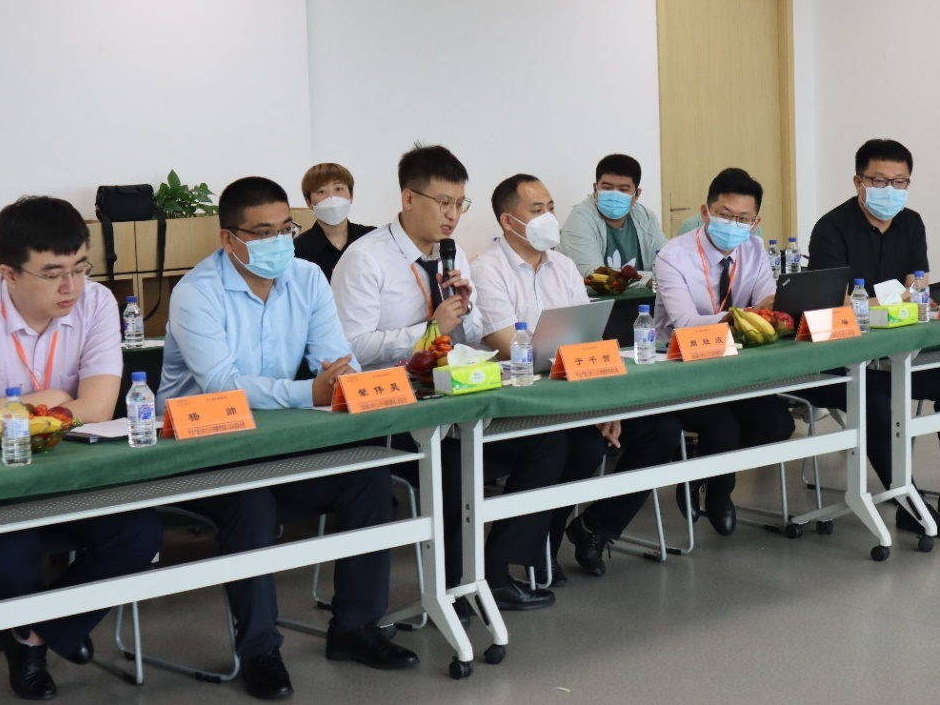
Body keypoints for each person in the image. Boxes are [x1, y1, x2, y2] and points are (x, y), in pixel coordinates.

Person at [158, 177, 416, 701]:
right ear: (229, 238)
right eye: (263, 233)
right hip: (201, 449)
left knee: (367, 477)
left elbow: (337, 360)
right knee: (250, 501)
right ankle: (259, 650)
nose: (279, 241)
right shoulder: (195, 292)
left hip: (278, 442)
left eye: (286, 229)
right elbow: (222, 386)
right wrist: (309, 392)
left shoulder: (306, 277)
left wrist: (338, 382)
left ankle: (355, 628)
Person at [0, 196, 162, 701]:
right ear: (9, 275)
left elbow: (99, 406)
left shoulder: (96, 303)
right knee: (9, 556)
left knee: (140, 531)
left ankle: (38, 632)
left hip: (70, 474)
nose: (71, 287)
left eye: (80, 268)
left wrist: (24, 409)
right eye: (53, 274)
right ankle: (34, 647)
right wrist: (59, 397)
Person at [332, 144, 565, 611]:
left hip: (453, 401)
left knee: (548, 441)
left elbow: (471, 336)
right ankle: (455, 587)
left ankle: (494, 569)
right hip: (391, 412)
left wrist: (466, 308)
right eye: (443, 202)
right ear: (408, 199)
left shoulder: (450, 254)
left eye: (460, 203)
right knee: (455, 467)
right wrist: (430, 329)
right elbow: (350, 349)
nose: (452, 215)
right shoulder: (366, 259)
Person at [473, 174, 682, 581]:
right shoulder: (487, 270)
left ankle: (593, 528)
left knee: (662, 430)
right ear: (507, 221)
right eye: (537, 210)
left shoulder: (564, 266)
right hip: (524, 401)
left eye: (550, 208)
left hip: (576, 394)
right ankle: (540, 549)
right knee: (582, 447)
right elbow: (513, 349)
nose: (549, 218)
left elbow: (589, 339)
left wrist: (607, 403)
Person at [806, 138, 940, 537]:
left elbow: (918, 286)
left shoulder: (912, 222)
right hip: (841, 362)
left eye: (899, 182)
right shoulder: (831, 228)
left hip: (894, 354)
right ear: (858, 181)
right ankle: (908, 501)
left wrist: (890, 299)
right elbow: (836, 303)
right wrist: (894, 299)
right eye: (879, 181)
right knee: (874, 400)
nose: (890, 190)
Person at [653, 169, 795, 536]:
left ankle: (701, 477)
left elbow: (769, 303)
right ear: (705, 212)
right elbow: (686, 324)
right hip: (682, 369)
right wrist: (744, 316)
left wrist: (757, 312)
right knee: (723, 427)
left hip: (735, 367)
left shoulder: (754, 249)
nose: (734, 225)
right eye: (725, 215)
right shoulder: (673, 255)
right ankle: (720, 491)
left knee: (778, 424)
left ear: (755, 222)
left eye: (743, 219)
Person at [558, 154, 668, 276]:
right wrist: (650, 280)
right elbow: (594, 275)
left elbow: (668, 262)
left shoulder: (646, 218)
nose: (614, 195)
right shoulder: (579, 219)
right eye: (607, 188)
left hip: (644, 289)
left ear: (637, 194)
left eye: (623, 190)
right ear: (595, 188)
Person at [293, 162, 375, 281]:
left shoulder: (371, 237)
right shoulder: (298, 250)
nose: (332, 198)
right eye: (321, 191)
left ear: (351, 195)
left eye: (338, 189)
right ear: (308, 202)